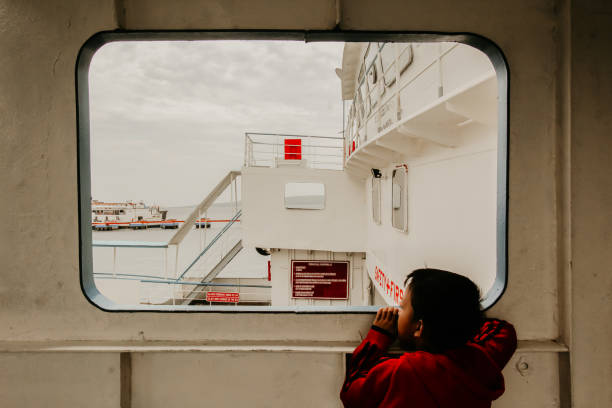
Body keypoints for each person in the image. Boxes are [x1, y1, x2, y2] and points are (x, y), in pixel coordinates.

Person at [340, 268, 517, 408]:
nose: (397, 311)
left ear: (419, 327)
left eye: (402, 308)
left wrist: (378, 337)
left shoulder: (398, 371)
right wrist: (462, 322)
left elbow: (351, 395)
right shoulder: (480, 364)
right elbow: (504, 332)